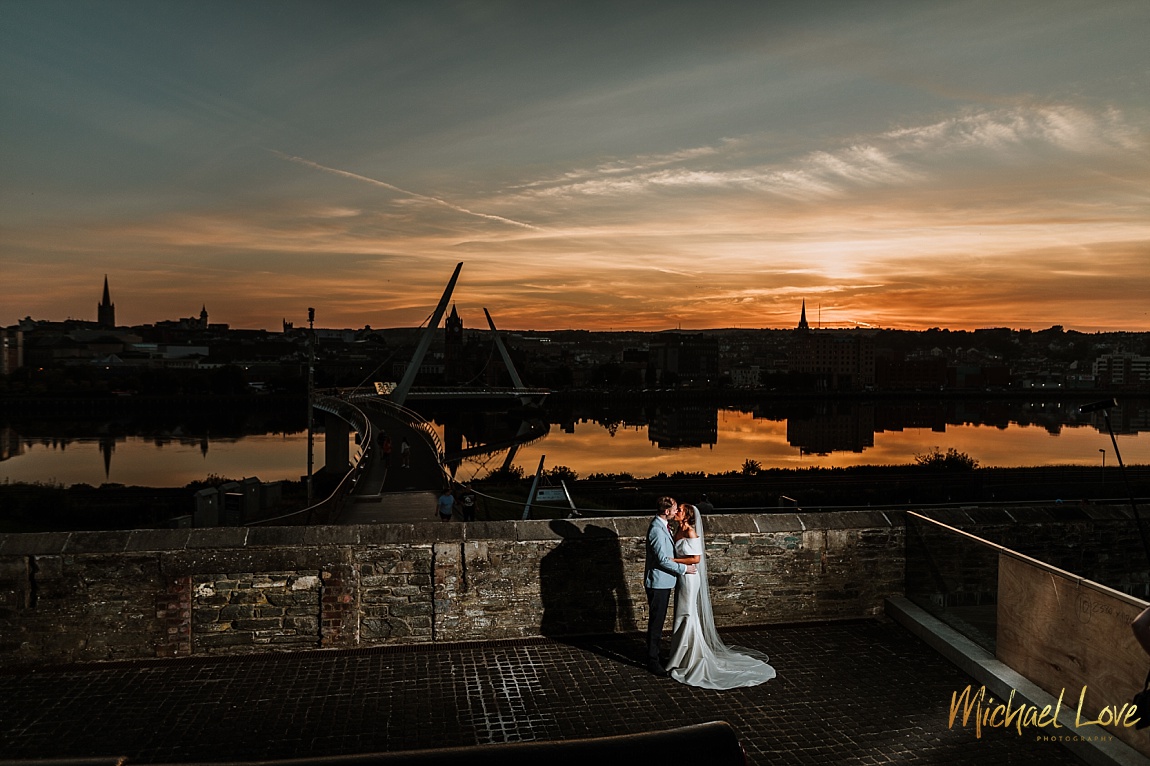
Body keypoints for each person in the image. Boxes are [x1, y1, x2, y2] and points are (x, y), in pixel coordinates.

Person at [665, 503, 776, 689]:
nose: (677, 511)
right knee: (681, 614)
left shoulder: (691, 532)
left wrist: (672, 561)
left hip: (691, 579)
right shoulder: (678, 528)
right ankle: (681, 653)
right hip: (682, 577)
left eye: (680, 510)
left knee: (688, 614)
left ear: (687, 515)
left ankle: (690, 656)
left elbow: (696, 559)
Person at [645, 496, 696, 677]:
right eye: (674, 509)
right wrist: (684, 569)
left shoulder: (664, 526)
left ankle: (655, 656)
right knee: (656, 622)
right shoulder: (657, 530)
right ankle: (652, 661)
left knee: (658, 621)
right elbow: (662, 560)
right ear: (666, 512)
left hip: (665, 581)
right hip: (659, 582)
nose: (676, 512)